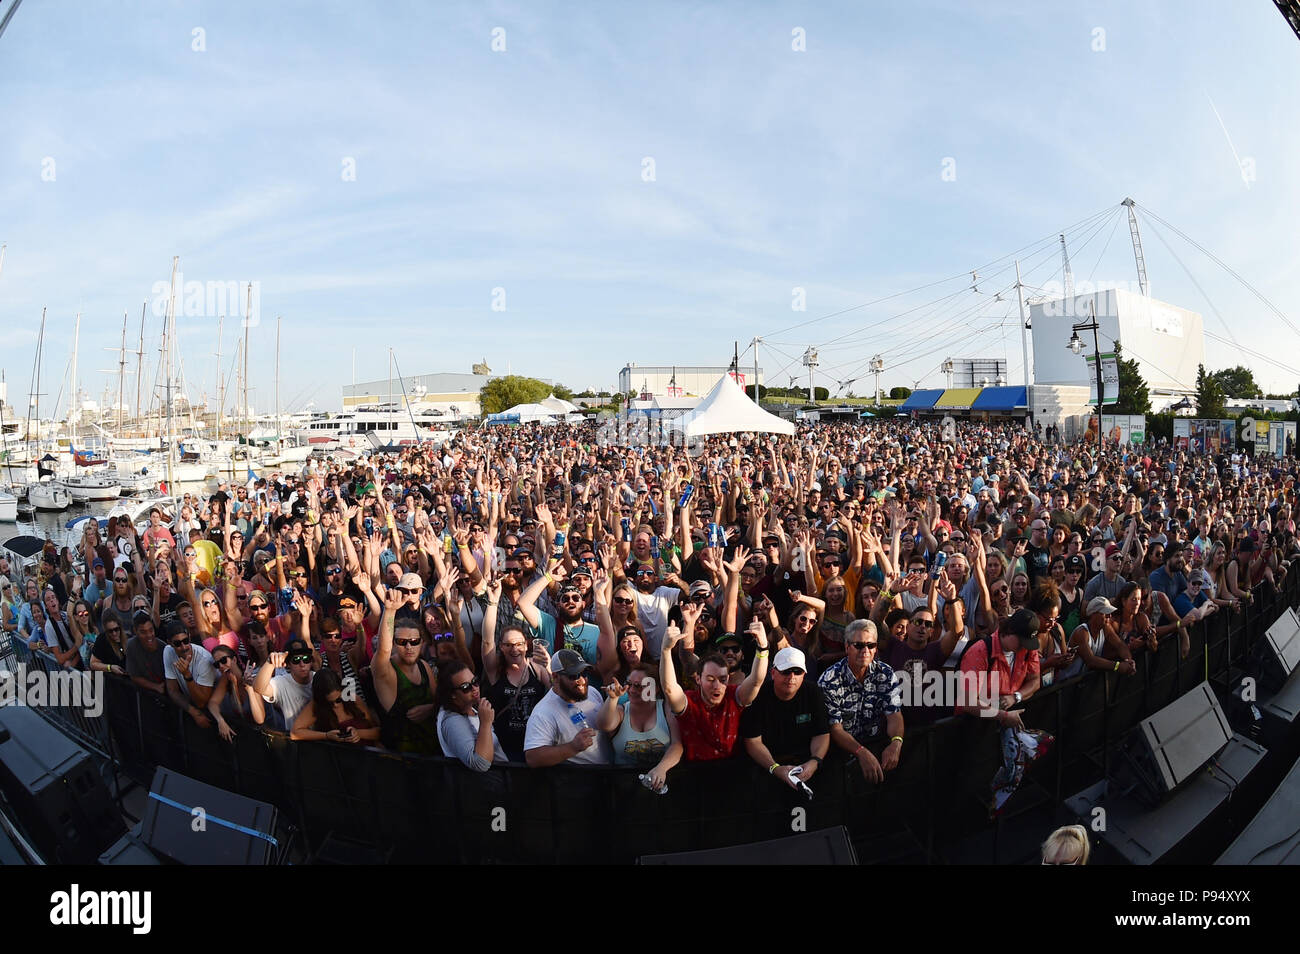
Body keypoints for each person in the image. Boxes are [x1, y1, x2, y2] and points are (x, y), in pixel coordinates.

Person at [659, 618, 769, 761]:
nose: (717, 686)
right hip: (695, 773)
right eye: (710, 679)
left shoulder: (734, 697)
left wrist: (763, 646)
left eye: (722, 680)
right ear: (698, 679)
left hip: (731, 771)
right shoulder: (689, 702)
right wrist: (666, 650)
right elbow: (669, 689)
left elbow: (756, 681)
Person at [819, 620, 904, 783]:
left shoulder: (885, 673)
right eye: (858, 645)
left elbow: (894, 714)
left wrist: (896, 743)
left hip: (877, 750)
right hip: (839, 758)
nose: (865, 651)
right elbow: (835, 729)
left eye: (871, 645)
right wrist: (861, 752)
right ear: (846, 647)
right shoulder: (829, 680)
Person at [742, 646, 831, 792]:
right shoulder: (758, 696)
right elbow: (752, 741)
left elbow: (821, 733)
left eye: (797, 672)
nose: (791, 677)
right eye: (786, 671)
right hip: (767, 768)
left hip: (805, 765)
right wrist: (775, 768)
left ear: (804, 674)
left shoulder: (813, 692)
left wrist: (814, 761)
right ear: (773, 673)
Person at [481, 580, 551, 761]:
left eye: (519, 644)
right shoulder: (496, 670)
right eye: (508, 645)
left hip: (535, 743)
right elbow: (487, 641)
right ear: (502, 648)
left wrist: (549, 667)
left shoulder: (537, 669)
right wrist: (493, 603)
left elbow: (556, 694)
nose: (514, 649)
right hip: (504, 748)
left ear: (526, 646)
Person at [371, 590, 440, 755]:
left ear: (421, 643)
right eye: (402, 642)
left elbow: (440, 702)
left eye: (414, 642)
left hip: (433, 756)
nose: (409, 647)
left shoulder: (424, 666)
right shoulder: (386, 671)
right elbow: (383, 649)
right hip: (402, 761)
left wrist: (430, 708)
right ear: (394, 644)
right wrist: (389, 611)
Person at [597, 662, 682, 789]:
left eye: (639, 686)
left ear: (656, 688)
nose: (631, 690)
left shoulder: (666, 709)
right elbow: (604, 725)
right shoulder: (621, 711)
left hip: (661, 784)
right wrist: (612, 699)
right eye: (629, 684)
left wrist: (661, 768)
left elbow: (677, 745)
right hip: (624, 788)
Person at [523, 649, 613, 766]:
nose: (581, 680)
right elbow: (532, 757)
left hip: (610, 772)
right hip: (579, 779)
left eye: (584, 673)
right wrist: (572, 747)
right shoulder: (543, 712)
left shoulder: (592, 692)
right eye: (573, 675)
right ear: (555, 677)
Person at [435, 661, 507, 771]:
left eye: (475, 681)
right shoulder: (452, 721)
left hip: (498, 781)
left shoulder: (471, 707)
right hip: (481, 785)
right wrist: (486, 723)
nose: (474, 688)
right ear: (452, 694)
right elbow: (480, 764)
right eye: (465, 687)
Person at [291, 668, 381, 745]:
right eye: (329, 703)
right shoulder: (316, 705)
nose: (335, 705)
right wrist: (326, 736)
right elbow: (295, 733)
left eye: (339, 700)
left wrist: (358, 733)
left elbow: (377, 732)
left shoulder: (354, 699)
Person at [163, 620, 217, 729]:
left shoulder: (205, 659)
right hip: (193, 707)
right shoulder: (168, 651)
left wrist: (187, 675)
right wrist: (193, 712)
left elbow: (202, 702)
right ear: (169, 643)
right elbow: (172, 690)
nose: (183, 647)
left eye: (185, 641)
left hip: (215, 708)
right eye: (177, 644)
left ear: (189, 637)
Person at [253, 638, 317, 728]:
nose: (302, 664)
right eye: (296, 660)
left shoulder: (318, 678)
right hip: (295, 738)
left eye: (306, 659)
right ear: (288, 664)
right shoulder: (282, 682)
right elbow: (259, 688)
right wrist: (270, 662)